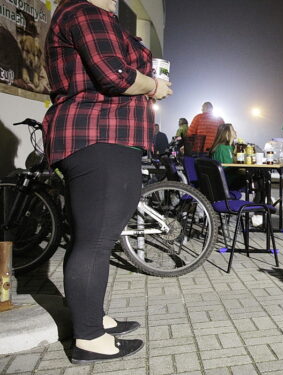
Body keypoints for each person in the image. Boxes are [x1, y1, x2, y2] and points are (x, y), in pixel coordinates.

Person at [43, 0, 172, 363]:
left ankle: (93, 318)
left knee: (95, 237)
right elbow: (115, 75)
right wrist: (153, 86)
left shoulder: (90, 15)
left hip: (100, 136)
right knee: (96, 241)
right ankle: (89, 339)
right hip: (99, 133)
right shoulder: (85, 12)